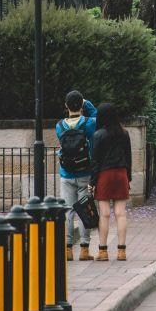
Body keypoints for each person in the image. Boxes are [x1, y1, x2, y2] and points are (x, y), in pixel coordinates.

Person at [55, 90, 97, 261]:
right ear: (81, 105)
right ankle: (85, 249)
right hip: (85, 172)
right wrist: (87, 104)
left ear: (66, 106)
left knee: (68, 211)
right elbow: (97, 115)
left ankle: (67, 249)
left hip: (66, 173)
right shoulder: (89, 123)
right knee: (84, 210)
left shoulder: (59, 126)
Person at [89, 102, 132, 261]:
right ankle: (121, 251)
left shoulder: (98, 135)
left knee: (104, 214)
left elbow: (95, 161)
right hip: (121, 173)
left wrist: (92, 182)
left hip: (104, 176)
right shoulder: (124, 133)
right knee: (121, 213)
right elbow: (129, 157)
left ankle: (103, 251)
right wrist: (129, 178)